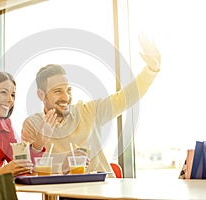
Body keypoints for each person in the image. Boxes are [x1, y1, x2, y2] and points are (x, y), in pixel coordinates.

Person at [21, 34, 161, 175]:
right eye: (57, 91)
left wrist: (151, 70)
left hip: (104, 190)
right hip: (67, 194)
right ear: (41, 95)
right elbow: (28, 171)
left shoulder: (88, 111)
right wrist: (51, 156)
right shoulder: (32, 125)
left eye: (68, 90)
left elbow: (126, 98)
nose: (66, 97)